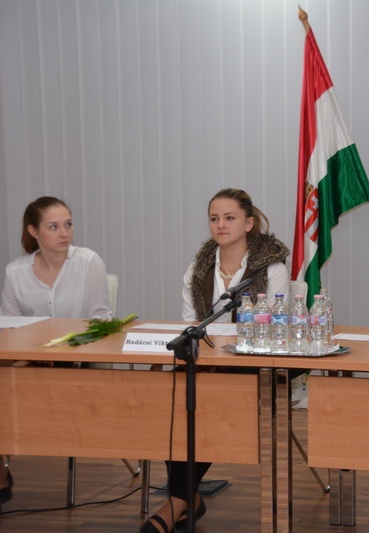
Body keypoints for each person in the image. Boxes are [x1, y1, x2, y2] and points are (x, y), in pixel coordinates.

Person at [142, 188, 289, 533]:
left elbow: (268, 328)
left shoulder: (272, 268)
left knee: (208, 402)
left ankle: (178, 502)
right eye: (214, 218)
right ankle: (186, 498)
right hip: (204, 361)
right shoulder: (198, 269)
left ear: (248, 223)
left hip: (251, 365)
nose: (220, 224)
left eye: (229, 217)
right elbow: (190, 323)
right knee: (173, 398)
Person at [0, 196, 111, 506]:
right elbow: (8, 329)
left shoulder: (88, 262)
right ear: (33, 231)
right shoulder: (15, 271)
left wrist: (67, 349)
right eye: (54, 227)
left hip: (79, 361)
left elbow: (102, 321)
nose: (64, 233)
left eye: (68, 225)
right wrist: (33, 353)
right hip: (30, 362)